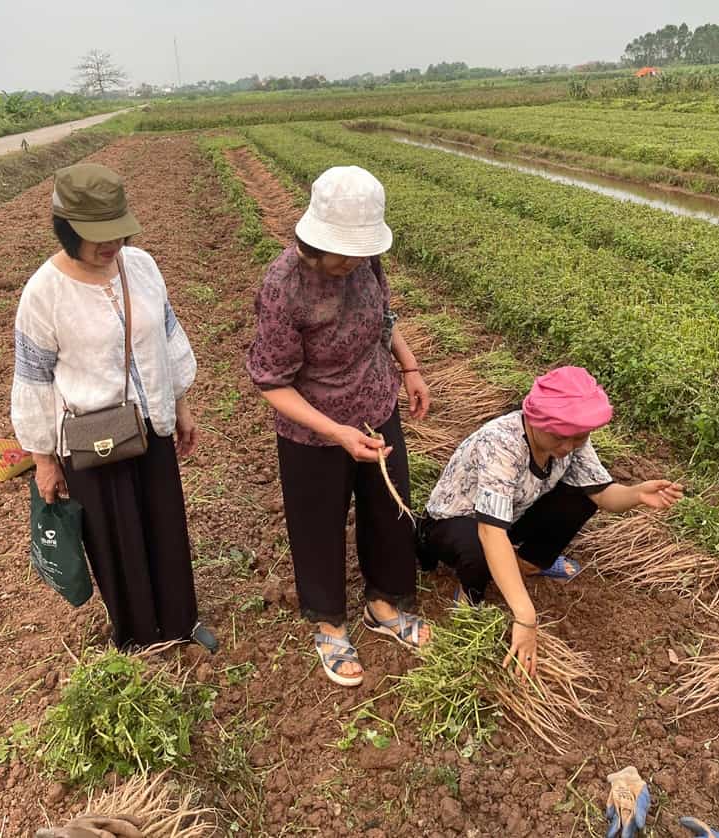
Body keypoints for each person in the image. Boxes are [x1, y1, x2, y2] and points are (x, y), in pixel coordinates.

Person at [11, 163, 216, 652]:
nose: (111, 245)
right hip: (93, 441)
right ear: (65, 228)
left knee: (165, 525)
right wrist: (43, 459)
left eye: (117, 232)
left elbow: (168, 340)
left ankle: (182, 622)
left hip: (150, 428)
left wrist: (181, 408)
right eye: (96, 235)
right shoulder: (44, 294)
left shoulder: (141, 267)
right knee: (115, 540)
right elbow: (34, 381)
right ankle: (136, 637)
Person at [247, 165, 431, 687]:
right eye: (343, 254)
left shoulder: (367, 262)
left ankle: (385, 603)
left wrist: (409, 368)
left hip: (376, 403)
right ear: (314, 238)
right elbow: (271, 381)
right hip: (313, 428)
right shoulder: (284, 286)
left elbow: (385, 321)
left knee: (389, 510)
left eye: (360, 251)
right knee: (318, 524)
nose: (353, 262)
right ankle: (329, 620)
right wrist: (335, 432)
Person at [417, 366, 682, 680]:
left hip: (509, 514)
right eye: (559, 437)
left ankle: (526, 563)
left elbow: (602, 494)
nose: (568, 447)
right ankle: (470, 593)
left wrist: (636, 494)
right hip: (454, 521)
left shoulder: (571, 438)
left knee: (581, 495)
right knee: (480, 547)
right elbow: (490, 530)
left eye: (578, 438)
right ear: (535, 419)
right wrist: (526, 616)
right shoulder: (501, 443)